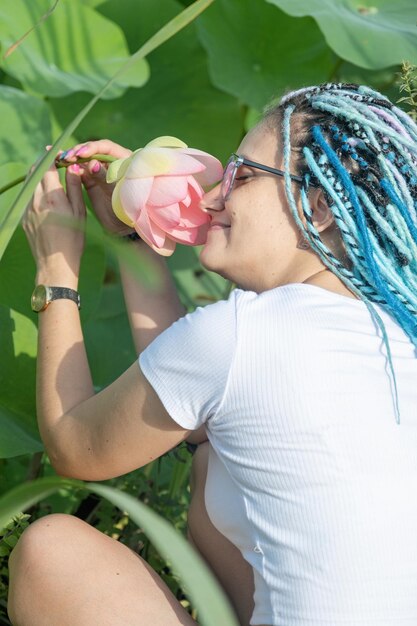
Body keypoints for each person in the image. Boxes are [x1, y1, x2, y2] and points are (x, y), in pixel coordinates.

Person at [7, 82, 417, 626]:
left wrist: (56, 269)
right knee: (209, 463)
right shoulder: (394, 334)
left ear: (317, 207)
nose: (210, 197)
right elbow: (200, 412)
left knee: (50, 550)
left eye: (242, 177)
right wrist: (135, 239)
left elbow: (75, 447)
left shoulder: (247, 331)